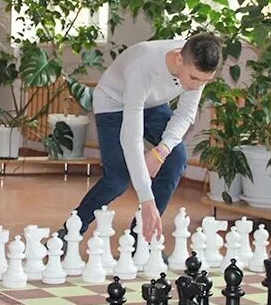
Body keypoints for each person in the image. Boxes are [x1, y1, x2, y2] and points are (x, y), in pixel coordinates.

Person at [58, 34, 222, 243]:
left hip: (152, 104)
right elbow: (132, 138)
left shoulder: (197, 62)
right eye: (194, 79)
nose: (197, 86)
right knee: (117, 180)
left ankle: (141, 241)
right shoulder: (142, 66)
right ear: (179, 59)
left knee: (176, 158)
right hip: (112, 104)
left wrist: (161, 151)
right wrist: (147, 199)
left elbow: (185, 114)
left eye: (204, 81)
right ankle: (69, 232)